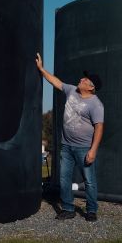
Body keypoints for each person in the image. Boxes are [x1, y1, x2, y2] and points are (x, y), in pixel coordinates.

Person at [35, 52, 104, 222]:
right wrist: (41, 69)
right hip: (66, 146)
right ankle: (67, 209)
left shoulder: (96, 105)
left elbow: (99, 128)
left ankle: (91, 210)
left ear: (91, 87)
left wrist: (93, 150)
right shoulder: (72, 90)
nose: (81, 79)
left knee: (89, 181)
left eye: (85, 80)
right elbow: (56, 82)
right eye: (83, 78)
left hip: (84, 148)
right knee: (64, 179)